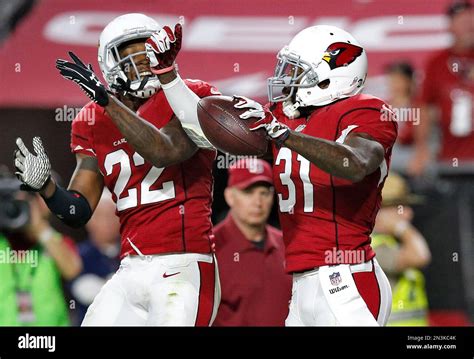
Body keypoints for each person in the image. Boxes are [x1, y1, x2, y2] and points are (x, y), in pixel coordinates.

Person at [143, 23, 397, 326]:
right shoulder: (285, 116)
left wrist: (285, 135)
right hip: (303, 283)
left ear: (331, 79)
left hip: (347, 277)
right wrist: (169, 76)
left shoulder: (365, 111)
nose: (287, 79)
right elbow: (205, 129)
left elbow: (355, 164)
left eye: (299, 72)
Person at [13, 13, 220, 326]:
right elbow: (78, 211)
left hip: (184, 264)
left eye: (148, 54)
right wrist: (46, 188)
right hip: (130, 267)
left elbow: (166, 151)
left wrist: (106, 99)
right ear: (110, 64)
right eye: (131, 57)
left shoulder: (189, 96)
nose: (142, 63)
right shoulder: (92, 119)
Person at [213, 159, 291, 326]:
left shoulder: (289, 245)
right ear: (230, 196)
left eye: (264, 193)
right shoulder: (210, 248)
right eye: (248, 192)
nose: (258, 203)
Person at [0, 168, 82, 326]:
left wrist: (40, 229)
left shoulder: (56, 241)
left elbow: (72, 270)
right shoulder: (2, 241)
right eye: (34, 196)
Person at [408, 0, 474, 177]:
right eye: (462, 21)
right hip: (450, 158)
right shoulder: (437, 63)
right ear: (450, 27)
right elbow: (423, 107)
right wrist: (422, 149)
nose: (469, 25)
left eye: (471, 20)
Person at [371, 173, 431, 326]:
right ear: (378, 211)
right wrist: (400, 227)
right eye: (399, 207)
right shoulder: (372, 249)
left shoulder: (390, 243)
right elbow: (420, 256)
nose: (408, 213)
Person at [69, 189, 121, 325]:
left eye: (111, 215)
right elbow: (85, 292)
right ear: (88, 220)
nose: (107, 222)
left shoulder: (131, 254)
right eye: (100, 216)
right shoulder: (78, 254)